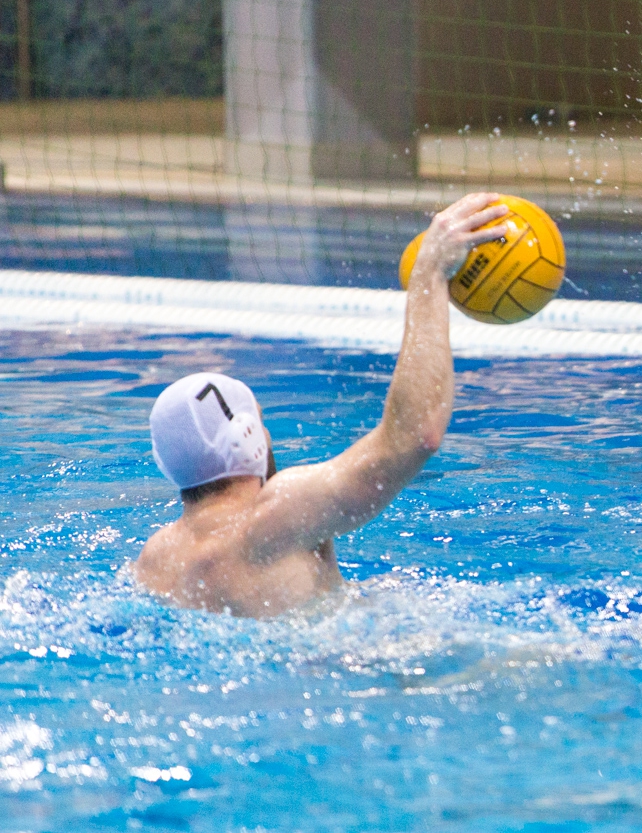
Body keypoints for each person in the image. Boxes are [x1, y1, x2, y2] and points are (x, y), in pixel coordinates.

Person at [132, 192, 512, 616]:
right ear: (246, 438)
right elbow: (414, 437)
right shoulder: (278, 516)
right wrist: (429, 274)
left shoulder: (156, 559)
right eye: (260, 422)